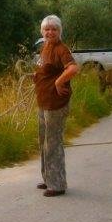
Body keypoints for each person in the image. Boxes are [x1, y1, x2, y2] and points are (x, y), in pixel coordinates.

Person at [34, 15, 79, 197]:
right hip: (43, 101)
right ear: (42, 31)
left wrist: (59, 83)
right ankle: (48, 178)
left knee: (53, 143)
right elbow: (46, 69)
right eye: (47, 29)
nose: (50, 32)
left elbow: (72, 68)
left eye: (54, 29)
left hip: (56, 104)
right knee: (43, 141)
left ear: (59, 31)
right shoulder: (45, 47)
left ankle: (57, 184)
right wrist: (36, 77)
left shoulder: (61, 49)